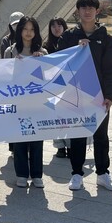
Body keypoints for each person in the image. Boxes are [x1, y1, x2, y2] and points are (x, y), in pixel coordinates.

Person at [58, 0, 112, 192]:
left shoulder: (106, 39)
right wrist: (76, 48)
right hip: (76, 94)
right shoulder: (68, 37)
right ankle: (77, 174)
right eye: (83, 8)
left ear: (97, 11)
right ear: (77, 11)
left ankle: (103, 174)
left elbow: (110, 70)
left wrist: (109, 95)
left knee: (101, 135)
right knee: (77, 134)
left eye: (91, 8)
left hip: (99, 95)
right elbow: (60, 63)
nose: (87, 11)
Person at [6, 16, 47, 188]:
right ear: (19, 31)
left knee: (37, 139)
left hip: (37, 103)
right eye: (25, 29)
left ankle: (37, 174)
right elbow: (4, 76)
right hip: (18, 103)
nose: (28, 33)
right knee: (19, 140)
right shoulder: (10, 51)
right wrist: (14, 65)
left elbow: (48, 78)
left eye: (32, 29)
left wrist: (40, 62)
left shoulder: (42, 53)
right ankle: (22, 174)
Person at [43, 17, 71, 159]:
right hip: (52, 87)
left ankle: (71, 145)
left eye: (59, 25)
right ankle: (60, 146)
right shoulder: (46, 47)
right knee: (55, 117)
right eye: (53, 26)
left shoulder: (72, 43)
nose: (56, 28)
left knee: (69, 116)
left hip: (69, 86)